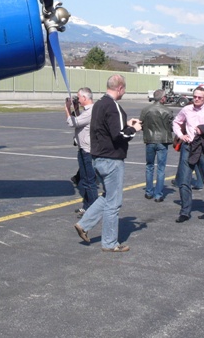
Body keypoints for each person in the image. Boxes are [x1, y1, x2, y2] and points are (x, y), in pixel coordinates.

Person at [74, 74, 141, 253]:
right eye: (124, 89)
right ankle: (110, 243)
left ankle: (84, 224)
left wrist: (126, 124)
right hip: (111, 159)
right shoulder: (113, 106)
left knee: (108, 196)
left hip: (97, 157)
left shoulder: (98, 105)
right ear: (120, 88)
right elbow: (119, 135)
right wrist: (133, 129)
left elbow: (108, 128)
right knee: (114, 202)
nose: (124, 92)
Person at [173, 86, 204, 223]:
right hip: (188, 147)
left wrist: (203, 130)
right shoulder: (186, 109)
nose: (196, 99)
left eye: (199, 97)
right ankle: (185, 212)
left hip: (203, 147)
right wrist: (181, 135)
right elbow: (176, 122)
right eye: (194, 96)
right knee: (184, 181)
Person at [65, 88, 97, 217]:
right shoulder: (87, 111)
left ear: (84, 98)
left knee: (90, 181)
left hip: (88, 151)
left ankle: (93, 210)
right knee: (84, 180)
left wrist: (67, 109)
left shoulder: (91, 111)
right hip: (83, 148)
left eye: (78, 97)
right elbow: (80, 121)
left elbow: (73, 123)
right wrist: (76, 109)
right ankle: (87, 206)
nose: (77, 99)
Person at [139, 89, 174, 202]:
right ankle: (158, 195)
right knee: (161, 168)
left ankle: (149, 192)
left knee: (149, 166)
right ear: (162, 98)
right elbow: (172, 127)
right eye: (165, 96)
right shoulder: (168, 111)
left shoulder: (146, 110)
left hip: (150, 140)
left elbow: (141, 124)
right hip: (163, 141)